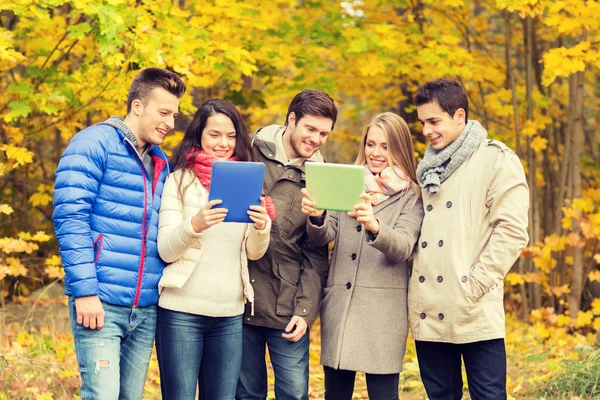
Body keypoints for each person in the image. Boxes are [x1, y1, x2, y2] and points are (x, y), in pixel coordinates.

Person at [52, 68, 186, 399]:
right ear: (137, 106)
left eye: (174, 115)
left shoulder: (160, 161)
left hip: (144, 308)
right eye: (164, 112)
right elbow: (71, 217)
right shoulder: (93, 142)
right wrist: (84, 292)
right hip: (101, 302)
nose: (171, 123)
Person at [409, 78, 529, 399]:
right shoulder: (426, 167)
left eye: (434, 121)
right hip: (429, 308)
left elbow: (513, 230)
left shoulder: (496, 159)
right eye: (422, 123)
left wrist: (474, 285)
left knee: (488, 395)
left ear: (459, 116)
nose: (426, 131)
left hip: (474, 308)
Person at [155, 99, 273, 399]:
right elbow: (166, 251)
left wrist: (262, 228)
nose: (223, 143)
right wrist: (194, 224)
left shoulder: (248, 182)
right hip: (182, 312)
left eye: (231, 136)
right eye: (214, 135)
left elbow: (253, 254)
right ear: (199, 135)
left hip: (230, 315)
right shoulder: (180, 180)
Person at [301, 112, 424, 400]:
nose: (376, 153)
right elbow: (325, 235)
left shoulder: (411, 195)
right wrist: (318, 217)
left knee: (383, 396)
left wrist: (376, 226)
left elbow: (404, 246)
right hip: (341, 306)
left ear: (400, 148)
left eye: (385, 146)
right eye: (371, 144)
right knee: (336, 394)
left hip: (382, 312)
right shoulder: (349, 182)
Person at [236, 89, 338, 400]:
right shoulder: (246, 152)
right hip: (239, 299)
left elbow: (317, 255)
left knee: (293, 393)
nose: (316, 139)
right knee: (246, 394)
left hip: (287, 304)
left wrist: (305, 311)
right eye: (310, 129)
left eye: (324, 133)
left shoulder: (322, 177)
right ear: (292, 120)